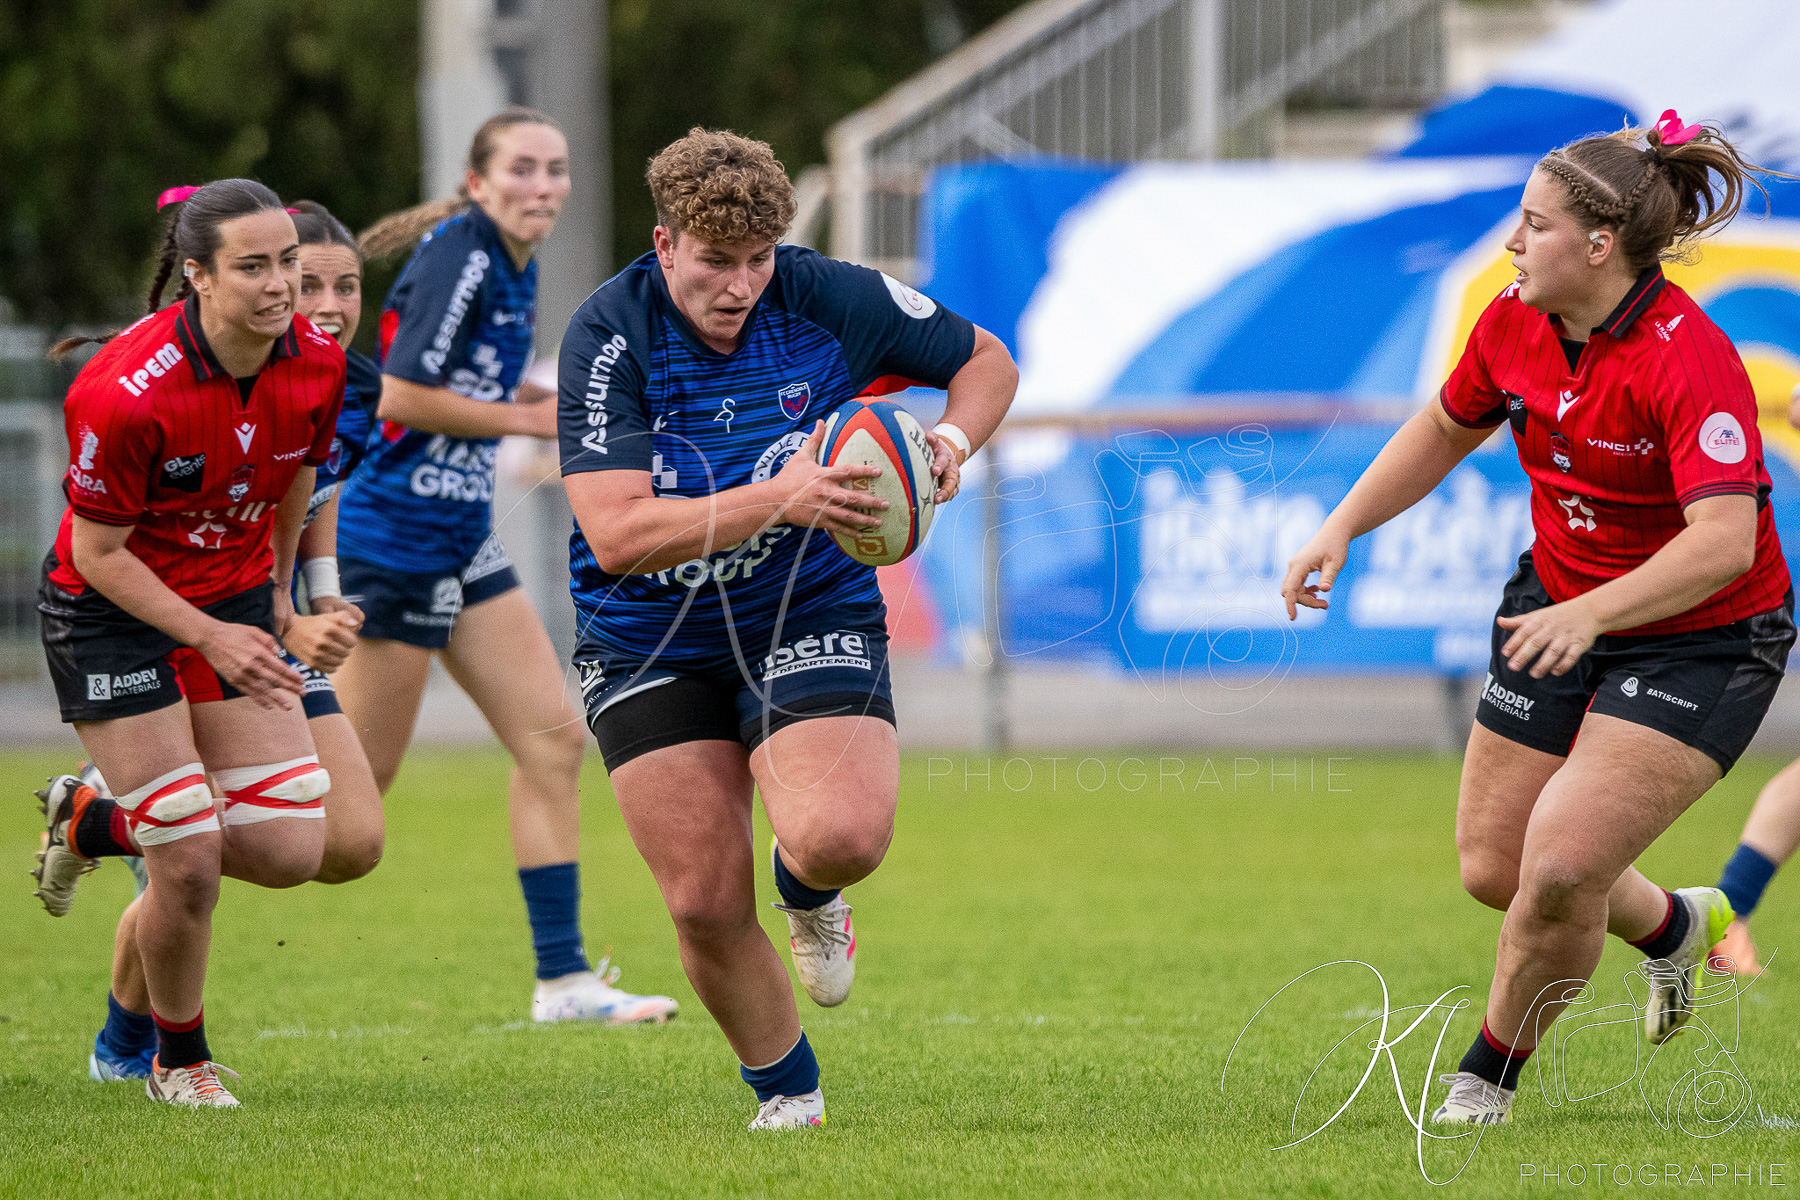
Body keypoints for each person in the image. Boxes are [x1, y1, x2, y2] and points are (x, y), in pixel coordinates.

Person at [1283, 112, 1793, 1126]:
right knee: (1498, 869)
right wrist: (1340, 525)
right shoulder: (1513, 321)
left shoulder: (1688, 358)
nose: (1513, 242)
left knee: (1560, 868)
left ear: (1600, 247)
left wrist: (1593, 613)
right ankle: (1674, 930)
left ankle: (1484, 1080)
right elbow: (1443, 427)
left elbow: (1724, 542)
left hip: (1703, 639)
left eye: (1534, 224)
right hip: (1558, 605)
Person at [557, 127, 1018, 1129]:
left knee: (841, 838)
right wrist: (781, 496)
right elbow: (618, 534)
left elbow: (986, 360)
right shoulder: (610, 335)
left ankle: (806, 892)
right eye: (715, 262)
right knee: (701, 901)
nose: (739, 286)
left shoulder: (824, 296)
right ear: (664, 243)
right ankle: (789, 1097)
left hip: (805, 603)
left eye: (757, 260)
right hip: (647, 630)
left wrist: (947, 440)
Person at [30, 199, 393, 1087]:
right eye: (254, 267)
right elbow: (96, 555)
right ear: (197, 275)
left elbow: (300, 479)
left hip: (231, 600)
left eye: (290, 264)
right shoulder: (122, 392)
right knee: (188, 857)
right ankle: (177, 1062)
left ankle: (94, 820)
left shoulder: (319, 365)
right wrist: (216, 637)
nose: (285, 288)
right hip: (112, 617)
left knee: (293, 850)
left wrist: (281, 598)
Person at [334, 107, 675, 1025]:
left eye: (555, 168)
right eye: (522, 167)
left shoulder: (511, 264)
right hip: (395, 540)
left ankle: (563, 982)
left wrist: (575, 399)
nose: (544, 184)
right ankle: (131, 819)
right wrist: (538, 420)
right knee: (342, 820)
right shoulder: (465, 254)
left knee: (553, 741)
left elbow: (475, 384)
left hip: (459, 536)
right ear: (478, 182)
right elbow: (402, 393)